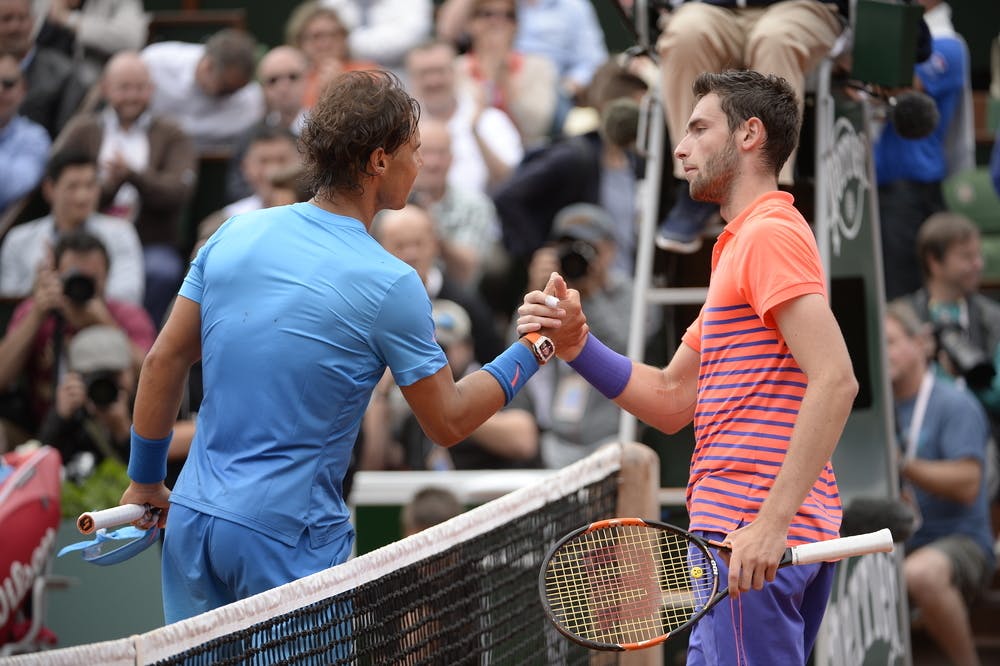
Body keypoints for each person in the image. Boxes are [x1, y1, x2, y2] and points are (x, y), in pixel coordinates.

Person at [119, 70, 557, 623]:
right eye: (413, 151)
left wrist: (145, 479)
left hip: (192, 525)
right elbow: (448, 421)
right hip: (285, 541)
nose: (418, 165)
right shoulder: (392, 282)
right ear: (378, 161)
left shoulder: (232, 234)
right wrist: (537, 347)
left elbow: (164, 360)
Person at [518, 70, 858, 664]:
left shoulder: (767, 236)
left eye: (700, 128)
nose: (680, 147)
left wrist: (770, 524)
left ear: (750, 135)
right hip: (748, 536)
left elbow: (836, 379)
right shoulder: (742, 246)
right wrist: (577, 344)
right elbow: (674, 399)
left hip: (751, 535)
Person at [653, 0, 846, 254]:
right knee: (686, 35)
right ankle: (699, 183)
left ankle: (768, 192)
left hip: (800, 7)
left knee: (775, 39)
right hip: (715, 7)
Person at [54, 50, 198, 328]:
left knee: (163, 272)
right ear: (105, 89)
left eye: (139, 88)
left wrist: (131, 175)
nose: (132, 96)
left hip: (151, 241)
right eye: (123, 88)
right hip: (85, 238)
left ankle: (144, 341)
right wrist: (108, 186)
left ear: (151, 89)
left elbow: (178, 191)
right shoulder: (83, 129)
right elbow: (58, 176)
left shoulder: (172, 132)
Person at [885, 301, 994, 666]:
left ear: (921, 343)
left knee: (921, 574)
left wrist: (903, 466)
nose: (883, 353)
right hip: (891, 543)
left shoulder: (954, 404)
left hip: (960, 541)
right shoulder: (870, 407)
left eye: (891, 341)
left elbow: (968, 484)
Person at [515, 203, 654, 469]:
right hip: (556, 443)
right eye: (569, 245)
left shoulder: (632, 294)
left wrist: (590, 293)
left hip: (614, 439)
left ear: (610, 250)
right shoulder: (552, 292)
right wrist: (535, 292)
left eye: (588, 246)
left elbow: (628, 347)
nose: (578, 255)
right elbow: (519, 347)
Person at [0, 231, 154, 437]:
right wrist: (37, 314)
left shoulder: (126, 316)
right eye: (73, 277)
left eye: (91, 280)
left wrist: (105, 323)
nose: (81, 286)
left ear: (107, 278)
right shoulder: (36, 311)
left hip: (113, 432)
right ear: (56, 276)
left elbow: (154, 377)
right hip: (40, 432)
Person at [363, 298, 539, 470]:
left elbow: (524, 441)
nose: (434, 358)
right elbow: (373, 463)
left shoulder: (494, 380)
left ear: (467, 347)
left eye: (442, 348)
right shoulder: (416, 398)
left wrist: (452, 411)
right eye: (426, 350)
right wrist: (382, 394)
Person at [875, 0, 973, 301]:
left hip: (912, 191)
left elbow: (899, 83)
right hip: (884, 188)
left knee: (906, 295)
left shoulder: (949, 45)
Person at [0, 149, 145, 305]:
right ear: (49, 189)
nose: (82, 197)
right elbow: (7, 301)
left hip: (101, 324)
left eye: (90, 185)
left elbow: (129, 297)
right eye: (72, 186)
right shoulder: (18, 239)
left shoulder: (121, 232)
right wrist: (36, 290)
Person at [373, 203, 503, 367]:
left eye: (418, 243)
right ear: (379, 250)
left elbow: (496, 361)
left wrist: (462, 365)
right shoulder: (370, 304)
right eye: (400, 246)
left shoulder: (464, 303)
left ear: (435, 245)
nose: (411, 254)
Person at [405, 39, 523, 195]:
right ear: (411, 78)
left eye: (440, 71)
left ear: (455, 73)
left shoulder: (490, 120)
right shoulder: (402, 127)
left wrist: (475, 132)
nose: (433, 81)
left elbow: (511, 180)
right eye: (424, 73)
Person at [408, 117, 503, 289]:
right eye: (426, 152)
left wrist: (429, 226)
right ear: (411, 156)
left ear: (452, 159)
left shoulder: (475, 206)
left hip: (453, 300)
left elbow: (468, 273)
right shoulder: (389, 203)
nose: (433, 163)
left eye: (441, 153)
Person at [453, 0, 558, 149]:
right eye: (487, 14)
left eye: (508, 16)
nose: (497, 22)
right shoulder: (454, 70)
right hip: (469, 154)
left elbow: (535, 128)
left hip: (525, 155)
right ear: (470, 23)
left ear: (517, 25)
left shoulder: (538, 67)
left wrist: (505, 78)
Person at [39, 324, 137, 481]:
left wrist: (126, 433)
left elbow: (159, 476)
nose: (103, 385)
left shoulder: (145, 407)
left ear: (130, 371)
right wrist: (59, 419)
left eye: (113, 375)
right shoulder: (73, 414)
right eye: (93, 376)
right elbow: (42, 468)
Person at [140, 28, 264, 151]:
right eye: (226, 88)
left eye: (237, 90)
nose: (231, 95)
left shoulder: (250, 100)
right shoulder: (154, 64)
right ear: (208, 67)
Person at [225, 45, 309, 202]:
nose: (284, 87)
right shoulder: (248, 136)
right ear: (262, 88)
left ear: (307, 79)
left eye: (293, 77)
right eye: (273, 80)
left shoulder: (326, 132)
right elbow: (237, 188)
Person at [0, 0, 91, 139]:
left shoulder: (63, 75)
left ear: (33, 21)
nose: (15, 27)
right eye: (6, 19)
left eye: (22, 18)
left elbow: (65, 137)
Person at [284, 1, 378, 110]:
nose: (326, 43)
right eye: (317, 36)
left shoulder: (367, 73)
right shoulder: (292, 79)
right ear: (300, 42)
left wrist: (342, 87)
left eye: (333, 34)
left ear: (344, 38)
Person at [0, 51, 50, 217]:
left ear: (23, 90)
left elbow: (13, 188)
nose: (0, 91)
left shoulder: (34, 138)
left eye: (8, 84)